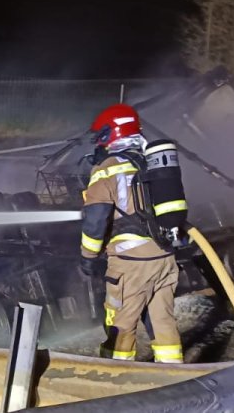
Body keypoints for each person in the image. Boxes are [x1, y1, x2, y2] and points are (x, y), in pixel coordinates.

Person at [79, 103, 188, 363]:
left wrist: (88, 257)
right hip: (165, 258)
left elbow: (95, 221)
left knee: (120, 326)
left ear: (111, 134)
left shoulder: (105, 170)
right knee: (163, 322)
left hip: (131, 264)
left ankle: (117, 379)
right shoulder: (152, 164)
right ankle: (173, 379)